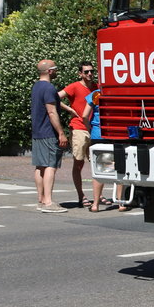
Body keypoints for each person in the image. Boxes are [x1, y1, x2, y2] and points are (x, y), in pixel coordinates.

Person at [31, 59, 69, 213]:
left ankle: (41, 199)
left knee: (40, 166)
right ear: (50, 71)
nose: (57, 71)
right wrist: (61, 133)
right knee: (50, 166)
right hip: (48, 132)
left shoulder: (36, 86)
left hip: (37, 132)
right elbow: (52, 112)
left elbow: (50, 104)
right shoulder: (49, 87)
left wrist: (68, 109)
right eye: (55, 69)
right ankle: (48, 202)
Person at [59, 62, 97, 207]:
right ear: (80, 73)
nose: (90, 74)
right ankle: (81, 195)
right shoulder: (74, 86)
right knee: (79, 162)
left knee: (97, 163)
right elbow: (55, 97)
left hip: (94, 128)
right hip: (79, 127)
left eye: (91, 71)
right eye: (86, 72)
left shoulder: (96, 87)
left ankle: (97, 196)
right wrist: (69, 109)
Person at [83, 87, 126, 211]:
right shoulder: (119, 92)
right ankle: (121, 203)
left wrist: (90, 129)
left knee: (99, 169)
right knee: (120, 167)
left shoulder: (96, 93)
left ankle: (95, 204)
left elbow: (85, 115)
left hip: (98, 133)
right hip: (117, 132)